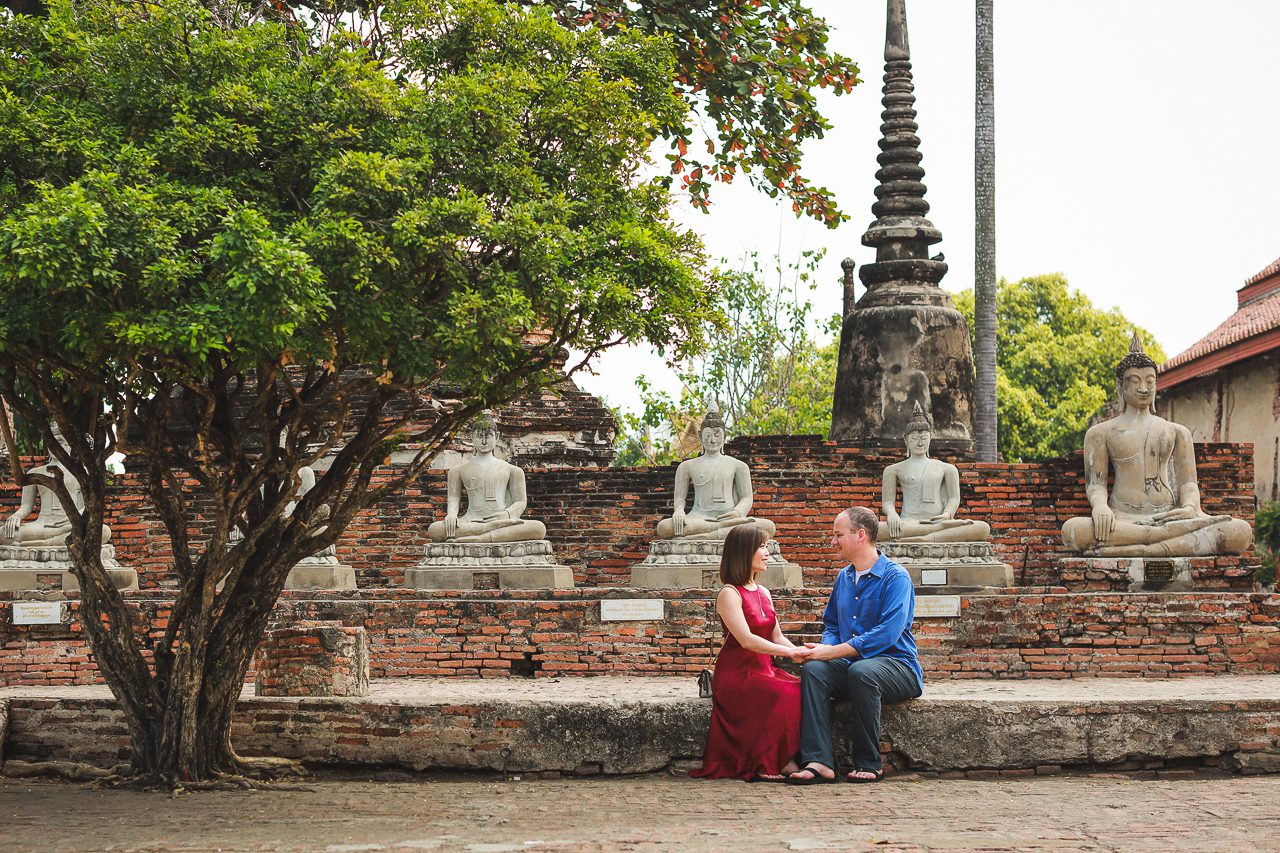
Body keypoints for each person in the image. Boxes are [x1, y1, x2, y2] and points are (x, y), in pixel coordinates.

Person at [1060, 335, 1252, 556]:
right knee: (1073, 531)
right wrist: (1101, 507)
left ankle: (1142, 549)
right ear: (1120, 386)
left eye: (1149, 381)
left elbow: (1189, 484)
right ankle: (1164, 546)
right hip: (1124, 519)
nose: (1143, 388)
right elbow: (1096, 484)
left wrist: (1189, 508)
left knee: (1239, 531)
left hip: (1171, 518)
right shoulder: (1100, 433)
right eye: (1135, 381)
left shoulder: (1178, 432)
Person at [788, 506, 922, 784]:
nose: (833, 541)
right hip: (852, 665)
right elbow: (833, 626)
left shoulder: (895, 577)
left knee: (863, 671)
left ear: (860, 535)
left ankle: (869, 762)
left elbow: (888, 633)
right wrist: (823, 652)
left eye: (838, 535)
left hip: (897, 668)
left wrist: (834, 651)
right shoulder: (844, 577)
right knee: (814, 670)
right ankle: (818, 760)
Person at [690, 523, 803, 782]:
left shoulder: (764, 592)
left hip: (765, 668)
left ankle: (785, 758)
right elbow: (747, 640)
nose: (767, 552)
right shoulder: (729, 594)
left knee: (802, 687)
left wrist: (798, 651)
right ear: (744, 552)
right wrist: (788, 654)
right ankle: (769, 761)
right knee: (784, 692)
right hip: (738, 674)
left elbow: (777, 636)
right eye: (762, 547)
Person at [655, 405, 776, 541]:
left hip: (730, 518)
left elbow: (747, 498)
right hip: (698, 518)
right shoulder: (686, 466)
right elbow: (679, 499)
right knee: (664, 527)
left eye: (717, 435)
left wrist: (737, 513)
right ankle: (725, 535)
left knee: (768, 526)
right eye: (708, 435)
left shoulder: (739, 466)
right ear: (700, 435)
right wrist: (678, 511)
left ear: (724, 436)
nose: (713, 440)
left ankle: (703, 537)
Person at [427, 411, 546, 544]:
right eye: (479, 436)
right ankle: (488, 530)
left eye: (488, 436)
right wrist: (452, 515)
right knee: (435, 530)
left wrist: (506, 514)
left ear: (497, 436)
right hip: (471, 521)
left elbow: (520, 502)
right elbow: (454, 499)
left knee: (538, 528)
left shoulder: (513, 470)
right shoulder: (457, 471)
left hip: (503, 521)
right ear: (472, 437)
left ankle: (479, 538)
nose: (484, 441)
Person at [879, 402, 990, 543]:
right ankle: (930, 537)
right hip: (907, 524)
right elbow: (888, 502)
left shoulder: (947, 469)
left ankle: (926, 538)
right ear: (906, 440)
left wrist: (947, 514)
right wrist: (892, 514)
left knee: (982, 528)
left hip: (940, 524)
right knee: (874, 530)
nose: (920, 443)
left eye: (924, 438)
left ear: (930, 439)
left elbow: (954, 499)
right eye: (914, 438)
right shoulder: (893, 470)